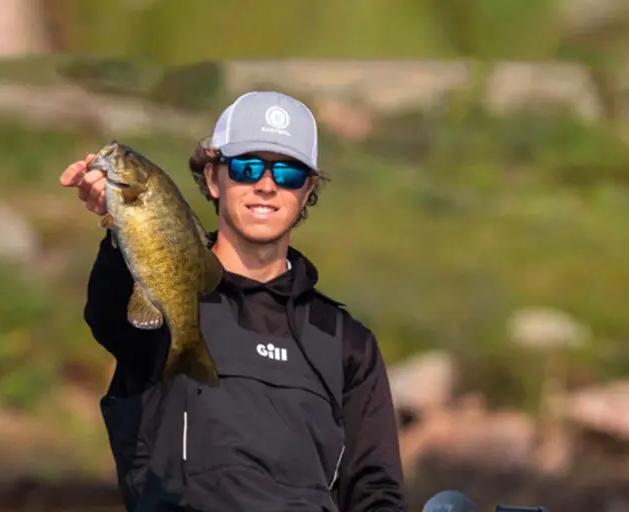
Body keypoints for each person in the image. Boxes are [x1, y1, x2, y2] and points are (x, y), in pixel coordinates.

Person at [59, 90, 407, 512]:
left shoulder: (347, 343)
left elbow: (376, 489)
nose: (266, 185)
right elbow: (108, 316)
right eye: (246, 167)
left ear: (307, 190)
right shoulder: (171, 303)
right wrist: (120, 224)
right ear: (213, 179)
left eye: (288, 174)